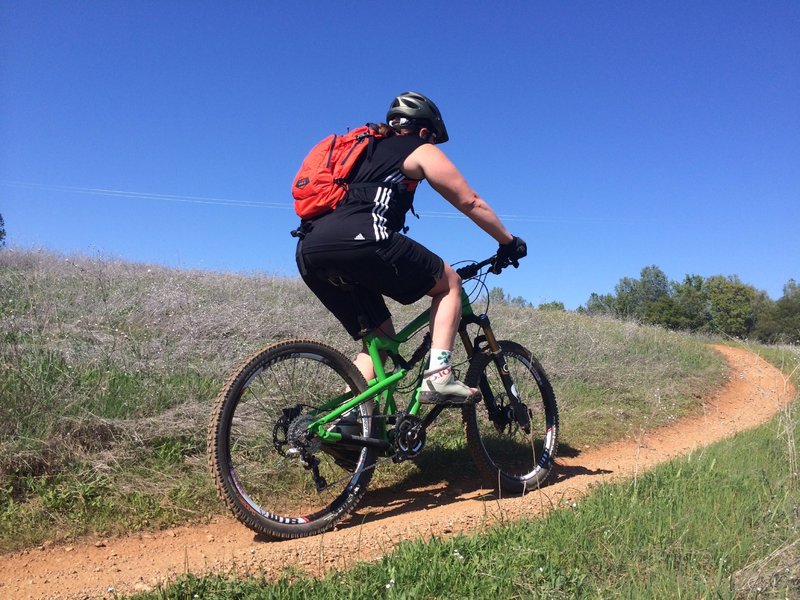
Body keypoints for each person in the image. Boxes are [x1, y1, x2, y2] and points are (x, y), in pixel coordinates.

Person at [294, 91, 526, 404]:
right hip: (362, 237)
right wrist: (507, 241)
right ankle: (439, 377)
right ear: (423, 130)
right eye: (430, 136)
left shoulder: (362, 151)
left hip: (310, 247)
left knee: (380, 339)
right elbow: (469, 201)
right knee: (450, 284)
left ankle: (347, 423)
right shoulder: (419, 148)